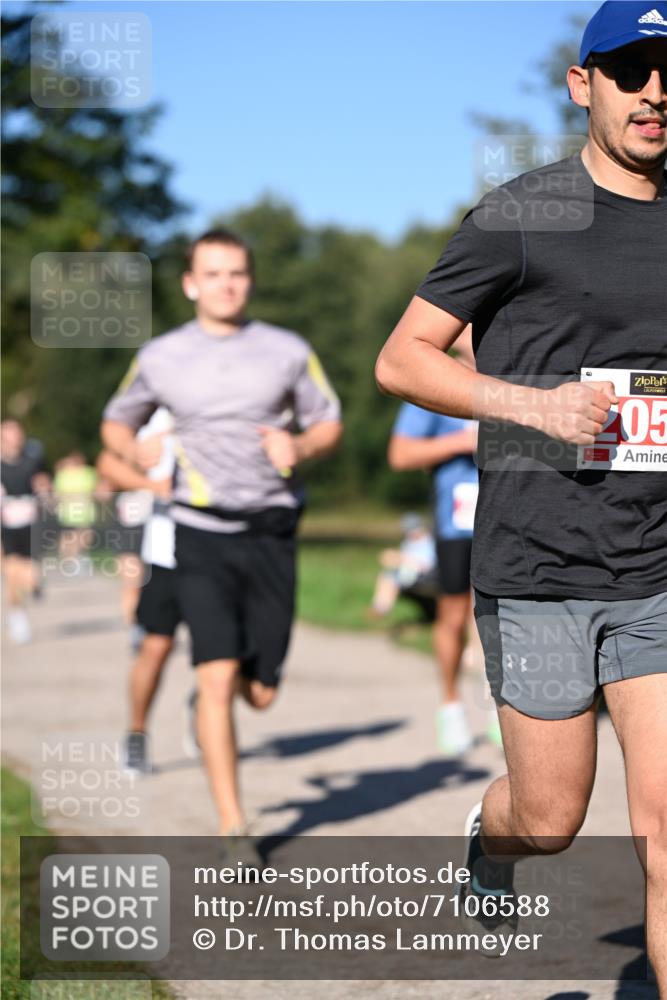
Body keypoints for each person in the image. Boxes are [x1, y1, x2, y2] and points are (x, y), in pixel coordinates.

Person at [375, 1, 666, 986]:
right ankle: (490, 842)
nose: (655, 89)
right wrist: (533, 408)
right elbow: (402, 359)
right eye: (630, 69)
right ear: (583, 84)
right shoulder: (521, 215)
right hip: (538, 567)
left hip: (656, 568)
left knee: (664, 834)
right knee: (549, 818)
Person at [101, 228, 343, 859]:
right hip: (197, 531)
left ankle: (226, 692)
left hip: (271, 532)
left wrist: (302, 446)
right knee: (216, 676)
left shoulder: (287, 351)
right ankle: (233, 825)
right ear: (190, 284)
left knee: (260, 693)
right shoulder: (160, 357)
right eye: (212, 274)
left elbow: (328, 421)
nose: (226, 284)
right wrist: (135, 448)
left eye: (236, 273)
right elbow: (115, 421)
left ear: (250, 280)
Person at [388, 394, 489, 756]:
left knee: (507, 616)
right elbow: (400, 455)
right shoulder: (436, 384)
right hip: (456, 523)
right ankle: (451, 706)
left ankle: (504, 705)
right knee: (455, 614)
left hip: (512, 517)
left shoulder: (515, 372)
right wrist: (463, 441)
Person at [97, 406, 179, 775]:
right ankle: (136, 734)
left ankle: (210, 702)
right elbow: (108, 463)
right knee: (156, 647)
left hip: (232, 549)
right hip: (166, 550)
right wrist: (150, 483)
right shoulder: (156, 411)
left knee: (239, 665)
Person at [1, 420, 50, 643]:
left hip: (30, 522)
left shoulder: (33, 460)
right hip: (6, 524)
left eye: (17, 434)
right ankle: (18, 617)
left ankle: (34, 585)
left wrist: (45, 489)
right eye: (9, 436)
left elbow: (44, 483)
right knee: (12, 573)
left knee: (30, 575)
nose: (14, 440)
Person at [369, 512, 437, 618]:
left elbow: (427, 565)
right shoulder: (408, 542)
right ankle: (380, 607)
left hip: (426, 576)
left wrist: (400, 559)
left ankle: (381, 608)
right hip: (408, 573)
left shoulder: (429, 542)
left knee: (390, 579)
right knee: (387, 576)